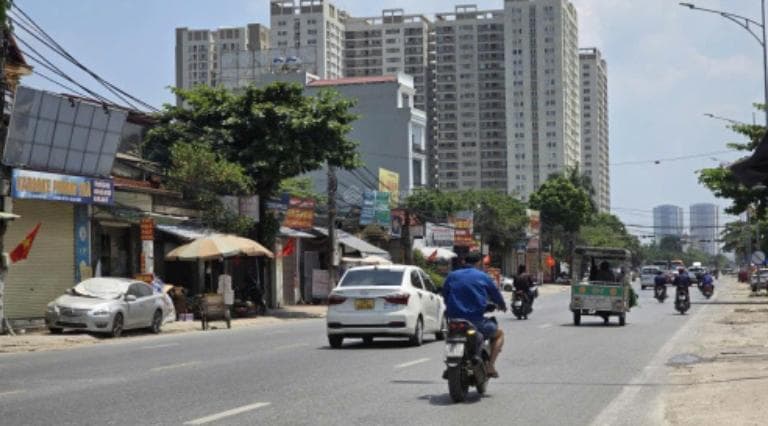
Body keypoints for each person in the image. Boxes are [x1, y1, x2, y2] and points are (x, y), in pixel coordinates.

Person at [442, 252, 507, 378]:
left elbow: (445, 294)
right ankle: (490, 366)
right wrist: (502, 305)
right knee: (499, 335)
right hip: (475, 321)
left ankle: (449, 366)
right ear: (478, 263)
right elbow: (495, 293)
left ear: (464, 262)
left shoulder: (452, 275)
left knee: (450, 337)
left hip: (454, 321)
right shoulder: (482, 276)